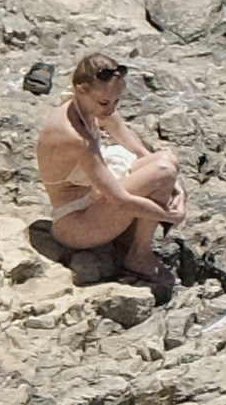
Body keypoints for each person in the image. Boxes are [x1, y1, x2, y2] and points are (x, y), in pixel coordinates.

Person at [35, 52, 184, 293]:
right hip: (75, 223)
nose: (110, 109)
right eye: (105, 103)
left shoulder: (88, 106)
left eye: (116, 102)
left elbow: (138, 150)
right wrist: (170, 216)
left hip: (94, 199)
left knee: (167, 161)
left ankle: (130, 240)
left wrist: (177, 188)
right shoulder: (74, 137)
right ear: (80, 89)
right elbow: (119, 200)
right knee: (162, 171)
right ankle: (138, 255)